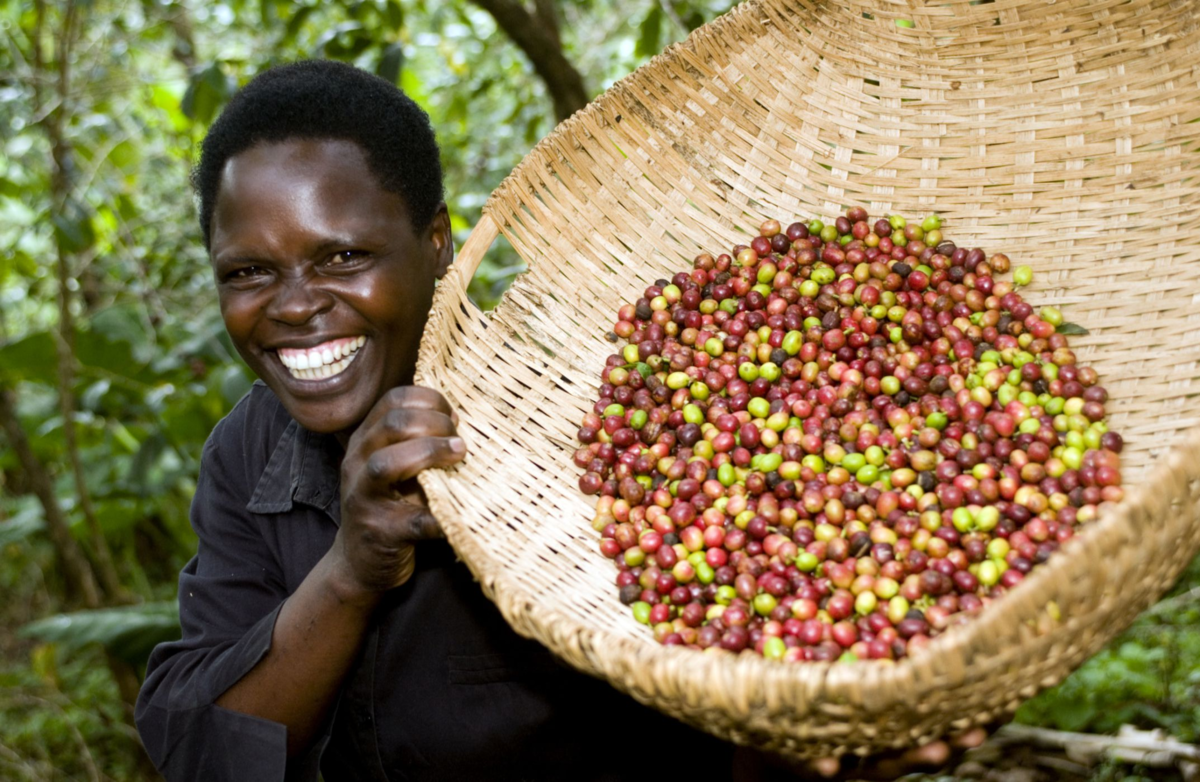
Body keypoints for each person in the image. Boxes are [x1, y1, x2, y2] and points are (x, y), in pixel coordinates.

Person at [135, 59, 984, 782]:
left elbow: (735, 686)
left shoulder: (582, 416)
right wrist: (351, 571)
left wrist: (844, 737)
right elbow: (206, 747)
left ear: (436, 243)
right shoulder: (252, 453)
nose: (294, 306)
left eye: (344, 256)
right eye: (248, 271)